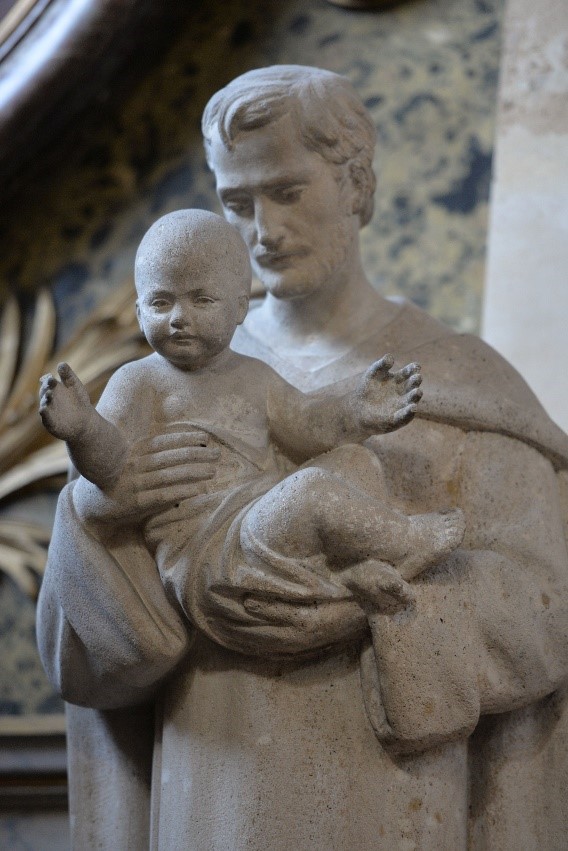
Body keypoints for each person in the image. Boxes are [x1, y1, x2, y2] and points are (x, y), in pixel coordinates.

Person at [37, 66, 568, 850]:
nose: (263, 229)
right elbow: (82, 659)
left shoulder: (461, 383)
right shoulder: (164, 385)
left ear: (356, 183)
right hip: (211, 792)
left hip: (395, 807)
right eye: (237, 203)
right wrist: (101, 511)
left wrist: (385, 606)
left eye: (288, 191)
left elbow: (544, 612)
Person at [39, 208, 463, 611]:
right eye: (160, 303)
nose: (178, 318)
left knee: (355, 462)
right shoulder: (138, 381)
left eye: (201, 300)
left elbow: (304, 427)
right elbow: (114, 466)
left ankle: (352, 572)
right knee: (310, 491)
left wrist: (356, 414)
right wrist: (83, 430)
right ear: (137, 311)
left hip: (264, 518)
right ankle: (406, 541)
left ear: (240, 307)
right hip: (211, 553)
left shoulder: (255, 376)